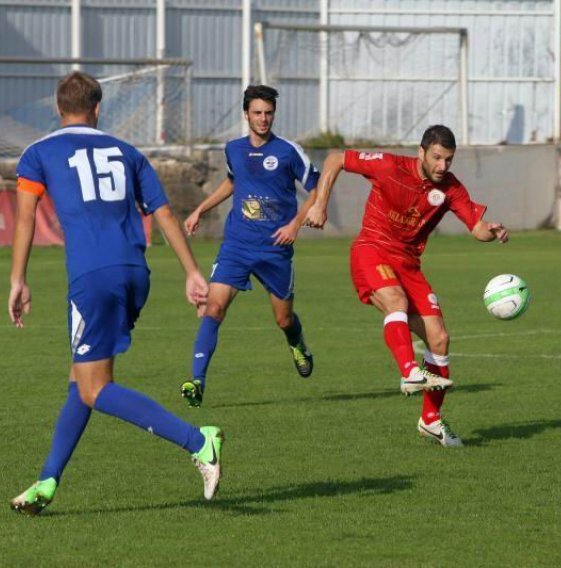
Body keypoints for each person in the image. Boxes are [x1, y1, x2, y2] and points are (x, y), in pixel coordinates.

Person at [8, 71, 223, 516]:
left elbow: (26, 219)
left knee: (96, 387)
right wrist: (191, 272)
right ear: (98, 108)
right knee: (80, 379)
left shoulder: (39, 152)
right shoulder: (127, 152)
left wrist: (18, 279)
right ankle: (47, 481)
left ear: (58, 107)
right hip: (134, 271)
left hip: (93, 275)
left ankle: (199, 441)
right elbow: (162, 212)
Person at [303, 125, 508, 447]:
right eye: (437, 158)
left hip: (409, 264)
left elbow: (476, 227)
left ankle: (431, 420)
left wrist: (491, 230)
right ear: (422, 152)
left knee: (439, 338)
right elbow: (335, 158)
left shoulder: (451, 188)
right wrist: (319, 203)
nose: (443, 166)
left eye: (449, 160)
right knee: (395, 301)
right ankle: (409, 370)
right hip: (372, 248)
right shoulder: (388, 166)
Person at [181, 85, 319, 407]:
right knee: (213, 308)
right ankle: (196, 381)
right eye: (257, 113)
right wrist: (201, 208)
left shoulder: (288, 151)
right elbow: (233, 181)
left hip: (275, 249)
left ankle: (296, 342)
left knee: (284, 320)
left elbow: (315, 189)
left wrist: (295, 224)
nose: (263, 119)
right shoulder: (234, 149)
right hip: (238, 245)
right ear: (246, 114)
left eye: (268, 113)